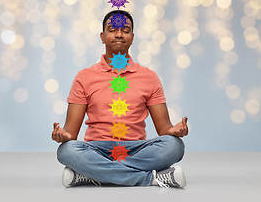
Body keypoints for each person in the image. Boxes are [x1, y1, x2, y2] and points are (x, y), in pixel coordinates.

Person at [51, 10, 189, 188]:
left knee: (174, 146)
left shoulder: (149, 77)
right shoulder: (84, 77)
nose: (118, 34)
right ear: (102, 36)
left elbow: (163, 128)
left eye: (125, 30)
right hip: (96, 150)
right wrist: (63, 135)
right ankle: (151, 179)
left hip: (136, 149)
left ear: (132, 37)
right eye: (112, 29)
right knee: (67, 151)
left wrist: (174, 131)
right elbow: (72, 131)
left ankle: (92, 175)